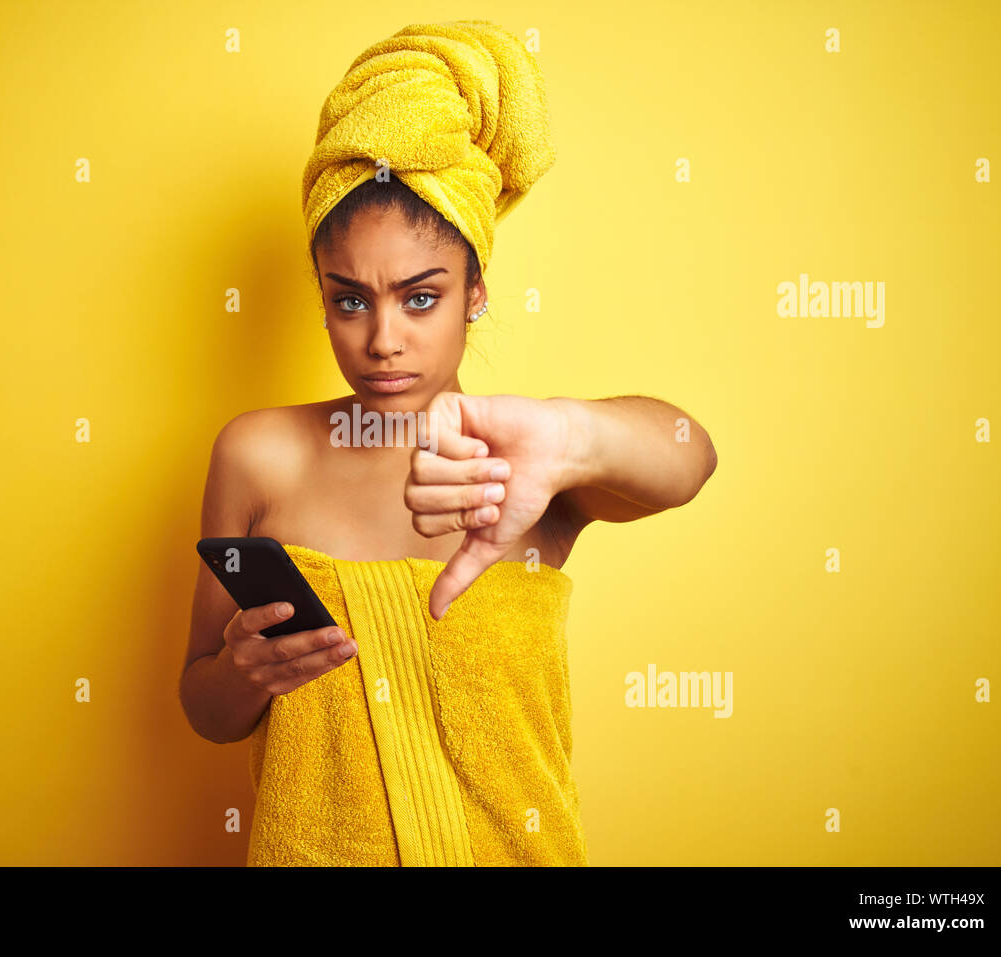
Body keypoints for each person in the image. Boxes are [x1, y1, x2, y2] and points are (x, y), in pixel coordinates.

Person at [179, 20, 716, 866]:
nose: (383, 338)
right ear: (321, 298)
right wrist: (242, 674)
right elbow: (202, 704)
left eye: (421, 298)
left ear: (475, 294)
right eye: (350, 299)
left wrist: (572, 433)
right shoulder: (257, 455)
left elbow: (691, 456)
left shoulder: (531, 463)